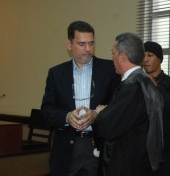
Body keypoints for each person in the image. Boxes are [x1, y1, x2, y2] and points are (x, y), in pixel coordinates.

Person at [41, 21, 120, 176]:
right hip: (66, 147)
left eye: (91, 43)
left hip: (98, 144)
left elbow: (118, 106)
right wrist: (67, 116)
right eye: (82, 44)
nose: (88, 49)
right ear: (69, 45)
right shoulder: (56, 74)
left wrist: (97, 115)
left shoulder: (110, 70)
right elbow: (47, 110)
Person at [94, 32, 164, 176]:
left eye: (113, 53)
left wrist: (101, 113)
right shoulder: (146, 82)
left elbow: (108, 128)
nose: (112, 58)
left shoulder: (132, 86)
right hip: (141, 162)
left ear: (122, 57)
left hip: (125, 165)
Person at [143, 41, 170, 176]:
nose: (145, 59)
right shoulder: (138, 83)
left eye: (150, 55)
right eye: (143, 56)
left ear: (159, 58)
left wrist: (155, 86)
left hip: (165, 149)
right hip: (142, 148)